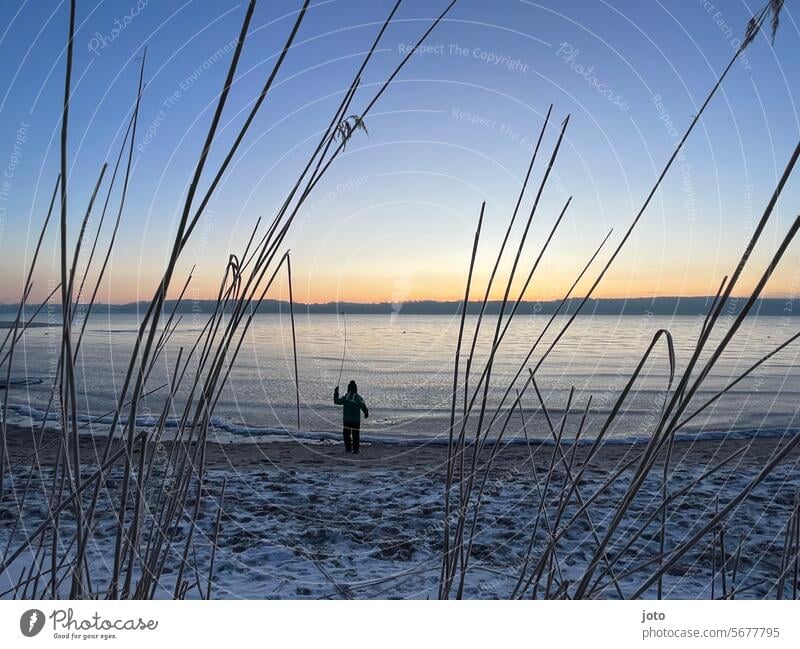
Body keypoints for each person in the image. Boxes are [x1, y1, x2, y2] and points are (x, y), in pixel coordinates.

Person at [333, 380, 368, 453]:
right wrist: (366, 413)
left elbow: (336, 401)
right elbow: (363, 407)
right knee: (356, 435)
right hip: (356, 420)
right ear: (356, 389)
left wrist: (336, 393)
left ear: (348, 389)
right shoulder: (359, 398)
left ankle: (348, 448)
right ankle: (356, 449)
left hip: (347, 420)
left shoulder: (346, 398)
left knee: (346, 434)